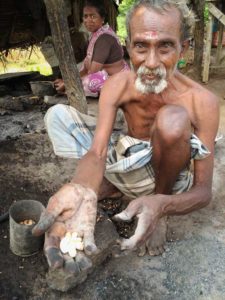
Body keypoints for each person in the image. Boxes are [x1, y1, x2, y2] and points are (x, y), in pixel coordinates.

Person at [33, 0, 219, 271]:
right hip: (127, 158)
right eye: (141, 46)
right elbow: (97, 152)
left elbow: (203, 192)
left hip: (169, 172)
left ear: (184, 48)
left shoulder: (203, 101)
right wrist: (81, 188)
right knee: (58, 116)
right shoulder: (118, 85)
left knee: (173, 119)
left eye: (165, 46)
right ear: (128, 45)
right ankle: (115, 186)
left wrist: (163, 206)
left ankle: (155, 204)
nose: (151, 62)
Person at [54, 0, 129, 98]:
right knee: (78, 73)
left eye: (93, 16)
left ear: (102, 19)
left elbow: (93, 71)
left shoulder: (104, 38)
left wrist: (68, 84)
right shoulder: (95, 35)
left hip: (118, 79)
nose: (88, 20)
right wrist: (67, 81)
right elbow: (86, 68)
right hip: (104, 74)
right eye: (85, 16)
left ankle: (70, 90)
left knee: (89, 83)